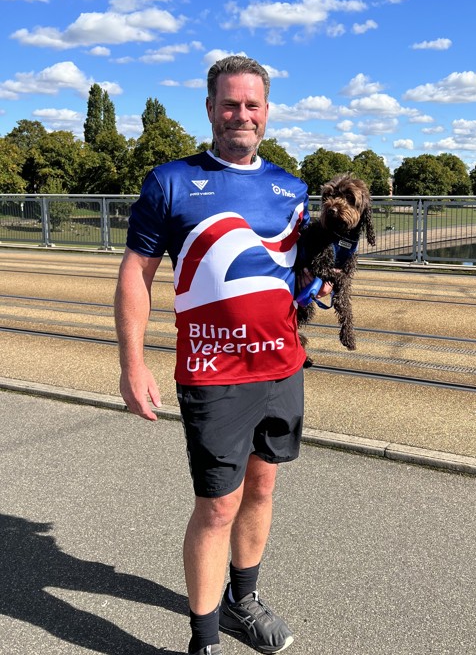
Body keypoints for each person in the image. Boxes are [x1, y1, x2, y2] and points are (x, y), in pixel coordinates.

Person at [114, 55, 327, 655]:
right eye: (229, 104)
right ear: (209, 109)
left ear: (266, 112)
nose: (241, 115)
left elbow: (289, 272)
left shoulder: (291, 187)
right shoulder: (171, 181)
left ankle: (244, 600)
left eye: (251, 105)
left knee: (261, 489)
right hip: (213, 373)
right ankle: (204, 638)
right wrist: (133, 365)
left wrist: (319, 285)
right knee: (217, 505)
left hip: (281, 368)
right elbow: (136, 274)